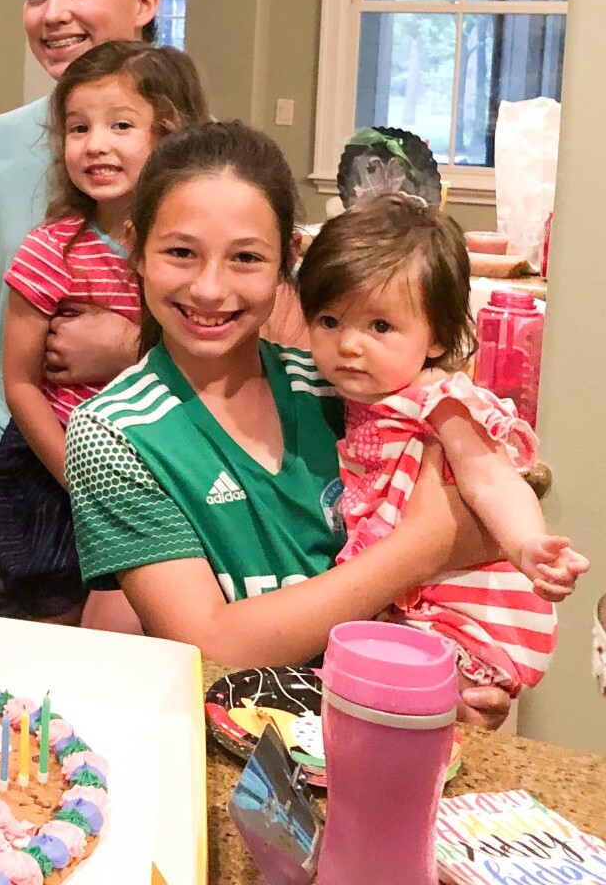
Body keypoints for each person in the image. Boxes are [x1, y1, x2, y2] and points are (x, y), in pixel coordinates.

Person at [65, 122, 512, 723]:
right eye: (180, 252)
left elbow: (486, 519)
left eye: (246, 258)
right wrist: (420, 546)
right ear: (135, 247)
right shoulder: (113, 432)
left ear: (288, 263)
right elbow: (213, 644)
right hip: (223, 747)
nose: (210, 287)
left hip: (378, 725)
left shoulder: (342, 387)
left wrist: (445, 685)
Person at [0, 0, 167, 619]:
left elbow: (266, 328)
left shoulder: (202, 159)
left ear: (144, 0)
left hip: (172, 472)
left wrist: (129, 345)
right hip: (27, 470)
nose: (52, 13)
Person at [297, 196, 587, 692]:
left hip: (466, 612)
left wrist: (527, 545)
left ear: (436, 337)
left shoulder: (441, 400)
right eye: (329, 321)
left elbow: (493, 480)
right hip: (409, 599)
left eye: (380, 326)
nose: (349, 344)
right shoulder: (359, 398)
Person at [0, 41, 207, 626]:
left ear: (169, 136)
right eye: (78, 128)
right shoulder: (50, 249)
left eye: (120, 125)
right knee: (57, 641)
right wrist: (81, 482)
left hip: (163, 472)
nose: (95, 144)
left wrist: (125, 346)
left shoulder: (191, 255)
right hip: (54, 476)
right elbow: (19, 383)